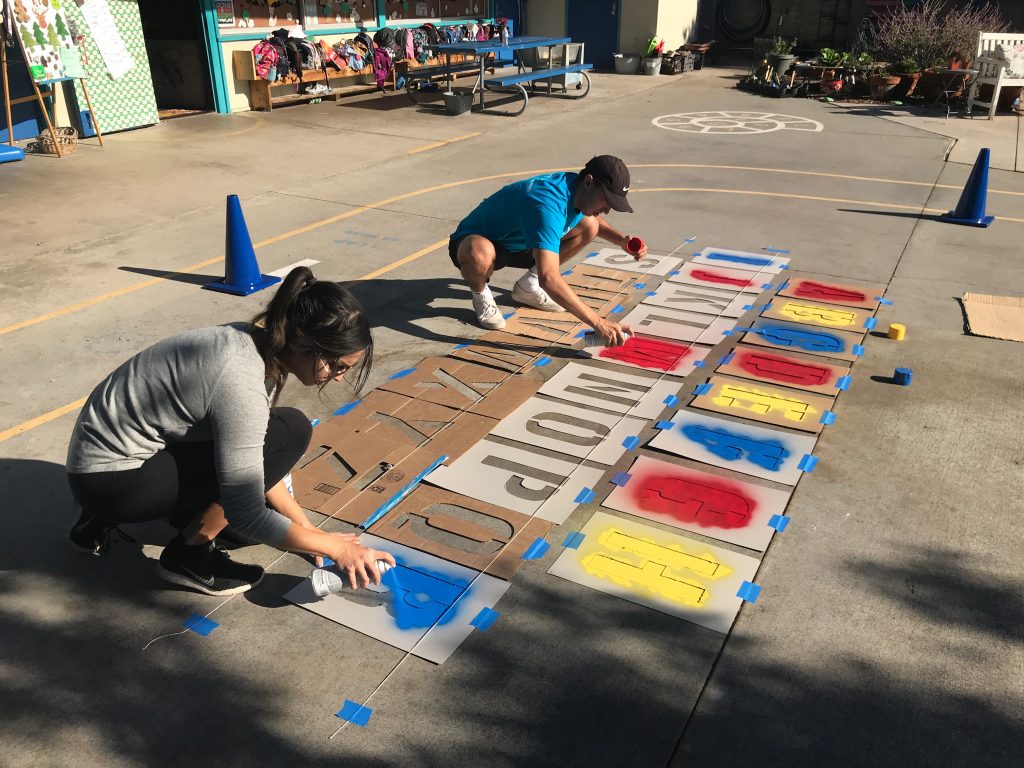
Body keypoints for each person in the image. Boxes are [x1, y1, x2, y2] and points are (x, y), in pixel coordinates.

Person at [65, 266, 395, 597]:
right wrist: (338, 550)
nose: (338, 377)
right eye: (338, 366)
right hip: (113, 484)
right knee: (288, 436)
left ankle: (97, 519)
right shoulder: (240, 380)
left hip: (95, 465)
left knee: (269, 498)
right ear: (307, 346)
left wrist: (310, 533)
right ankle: (188, 557)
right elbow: (246, 509)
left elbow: (254, 459)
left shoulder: (249, 341)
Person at [449, 155, 648, 344]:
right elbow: (550, 279)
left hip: (524, 243)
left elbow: (589, 218)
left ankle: (527, 287)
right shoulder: (546, 204)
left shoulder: (576, 188)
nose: (607, 209)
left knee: (591, 225)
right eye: (607, 200)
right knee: (478, 252)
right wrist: (598, 322)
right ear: (589, 181)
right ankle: (481, 294)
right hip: (484, 244)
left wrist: (622, 241)